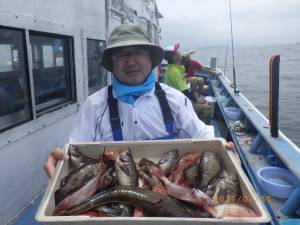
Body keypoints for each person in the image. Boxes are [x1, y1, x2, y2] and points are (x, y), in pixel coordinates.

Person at [44, 24, 237, 179]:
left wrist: (225, 148)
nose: (130, 61)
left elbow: (204, 139)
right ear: (111, 63)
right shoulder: (93, 105)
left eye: (137, 52)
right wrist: (61, 163)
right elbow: (75, 153)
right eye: (121, 55)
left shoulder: (174, 99)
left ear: (150, 58)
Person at [163, 44, 212, 124]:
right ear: (174, 57)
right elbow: (184, 91)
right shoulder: (174, 72)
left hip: (178, 98)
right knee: (206, 107)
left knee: (204, 102)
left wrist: (182, 62)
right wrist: (196, 100)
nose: (179, 52)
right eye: (177, 52)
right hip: (179, 102)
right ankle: (199, 129)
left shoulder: (173, 68)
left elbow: (182, 71)